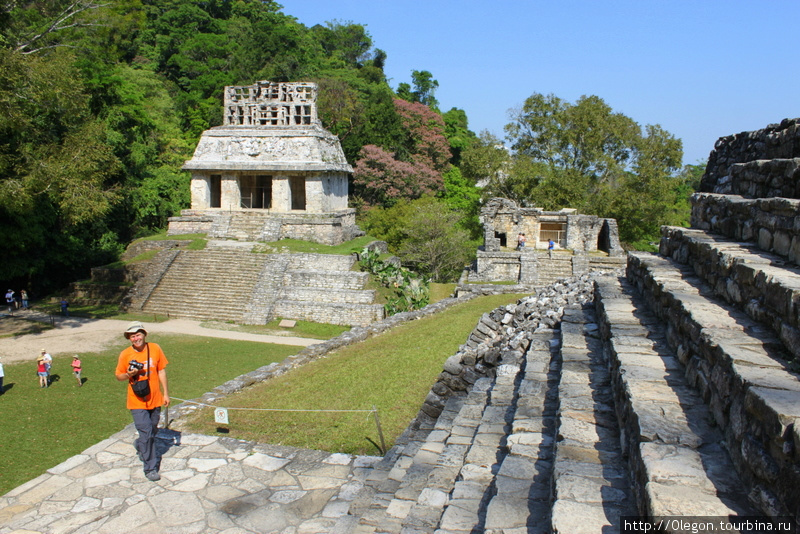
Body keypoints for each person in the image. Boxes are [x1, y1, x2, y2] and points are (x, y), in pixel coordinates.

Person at [115, 321, 170, 482]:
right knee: (146, 432)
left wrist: (166, 393)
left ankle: (140, 445)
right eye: (132, 336)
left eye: (138, 334)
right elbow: (119, 376)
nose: (136, 338)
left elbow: (161, 370)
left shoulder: (155, 348)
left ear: (144, 334)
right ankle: (150, 467)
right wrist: (129, 374)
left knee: (153, 429)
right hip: (136, 400)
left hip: (154, 398)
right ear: (129, 338)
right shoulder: (125, 354)